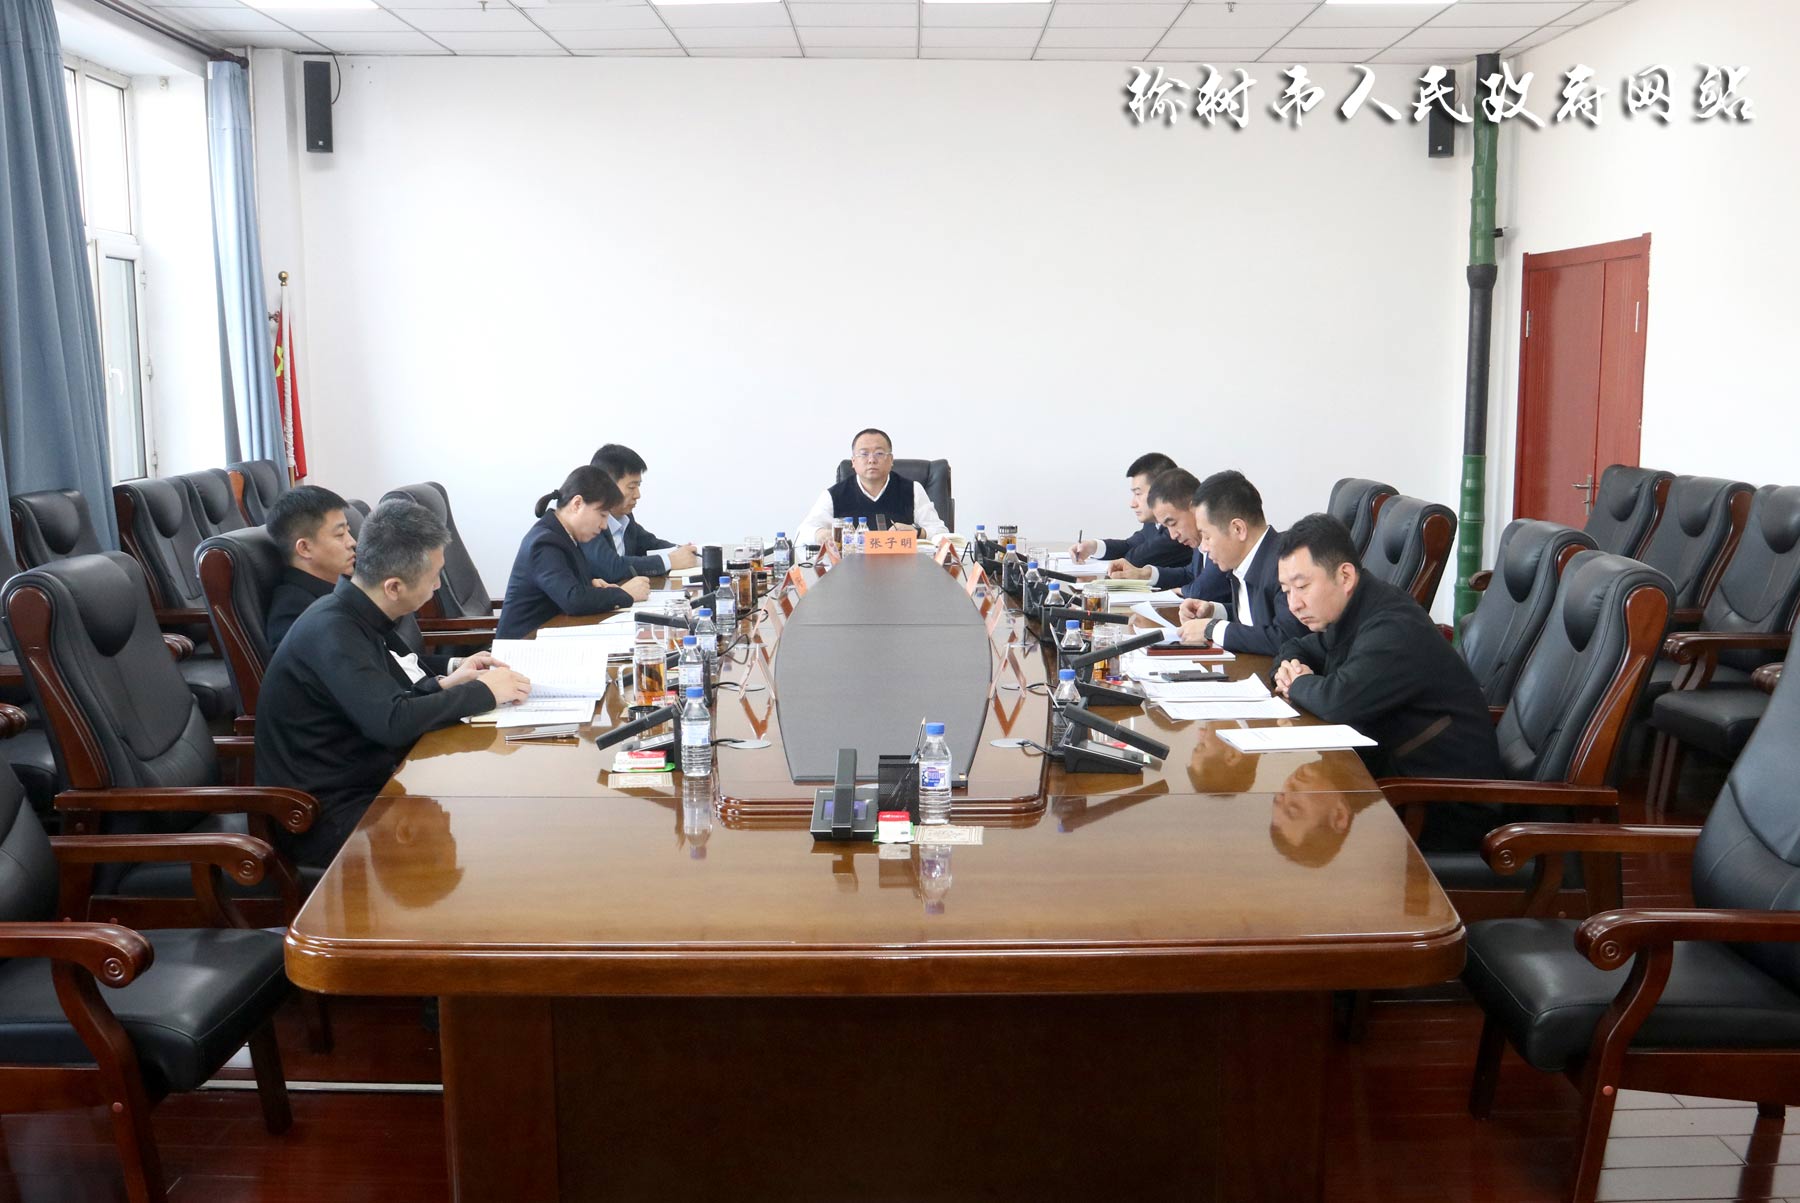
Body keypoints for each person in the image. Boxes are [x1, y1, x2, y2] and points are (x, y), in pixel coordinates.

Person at [256, 499, 530, 866]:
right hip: (327, 814)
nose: (438, 585)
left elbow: (390, 697)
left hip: (373, 778)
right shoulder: (333, 629)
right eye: (434, 577)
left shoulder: (359, 612)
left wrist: (448, 684)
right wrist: (484, 692)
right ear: (394, 587)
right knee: (490, 831)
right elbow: (391, 722)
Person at [1272, 513, 1501, 788]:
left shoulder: (1392, 627)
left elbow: (1338, 702)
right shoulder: (1351, 611)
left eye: (1301, 587)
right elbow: (1296, 646)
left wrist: (1296, 683)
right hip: (1395, 777)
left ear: (1345, 576)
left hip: (1442, 795)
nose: (1293, 604)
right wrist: (1289, 667)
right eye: (1286, 591)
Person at [265, 486, 460, 686]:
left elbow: (393, 659)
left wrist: (457, 665)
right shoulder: (295, 610)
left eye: (348, 532)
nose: (352, 543)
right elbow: (357, 684)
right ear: (305, 548)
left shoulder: (348, 591)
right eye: (339, 534)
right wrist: (446, 686)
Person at [499, 465, 652, 639]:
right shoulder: (544, 542)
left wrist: (591, 586)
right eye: (602, 515)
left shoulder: (565, 535)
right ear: (577, 504)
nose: (604, 526)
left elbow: (569, 589)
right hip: (523, 646)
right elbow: (572, 599)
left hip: (551, 636)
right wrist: (624, 594)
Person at [1175, 470, 1305, 655]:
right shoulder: (1245, 562)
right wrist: (1214, 611)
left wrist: (1212, 629)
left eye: (1207, 536)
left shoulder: (1285, 562)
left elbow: (1287, 638)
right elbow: (1255, 619)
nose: (1203, 547)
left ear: (1238, 529)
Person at [796, 428, 950, 545]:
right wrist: (820, 534)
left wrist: (918, 532)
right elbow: (801, 534)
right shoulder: (833, 495)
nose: (871, 460)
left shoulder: (913, 490)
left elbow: (942, 533)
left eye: (879, 453)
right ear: (853, 462)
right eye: (864, 454)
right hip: (851, 572)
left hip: (903, 570)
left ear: (891, 460)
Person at [581, 443, 699, 581]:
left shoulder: (624, 517)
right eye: (631, 487)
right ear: (606, 486)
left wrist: (683, 551)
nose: (638, 495)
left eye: (638, 486)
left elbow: (651, 545)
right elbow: (610, 566)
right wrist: (668, 561)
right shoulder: (587, 521)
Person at [1111, 468, 1230, 604]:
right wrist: (1144, 574)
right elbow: (1189, 574)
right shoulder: (1197, 540)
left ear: (1193, 508)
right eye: (1166, 527)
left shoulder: (1220, 539)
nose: (1173, 535)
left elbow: (1202, 591)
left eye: (1172, 523)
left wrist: (1181, 591)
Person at [1067, 452, 1192, 571]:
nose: (1132, 504)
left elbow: (1136, 559)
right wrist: (1093, 546)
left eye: (1138, 494)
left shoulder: (1178, 530)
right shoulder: (1152, 523)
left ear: (1160, 491)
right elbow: (1129, 545)